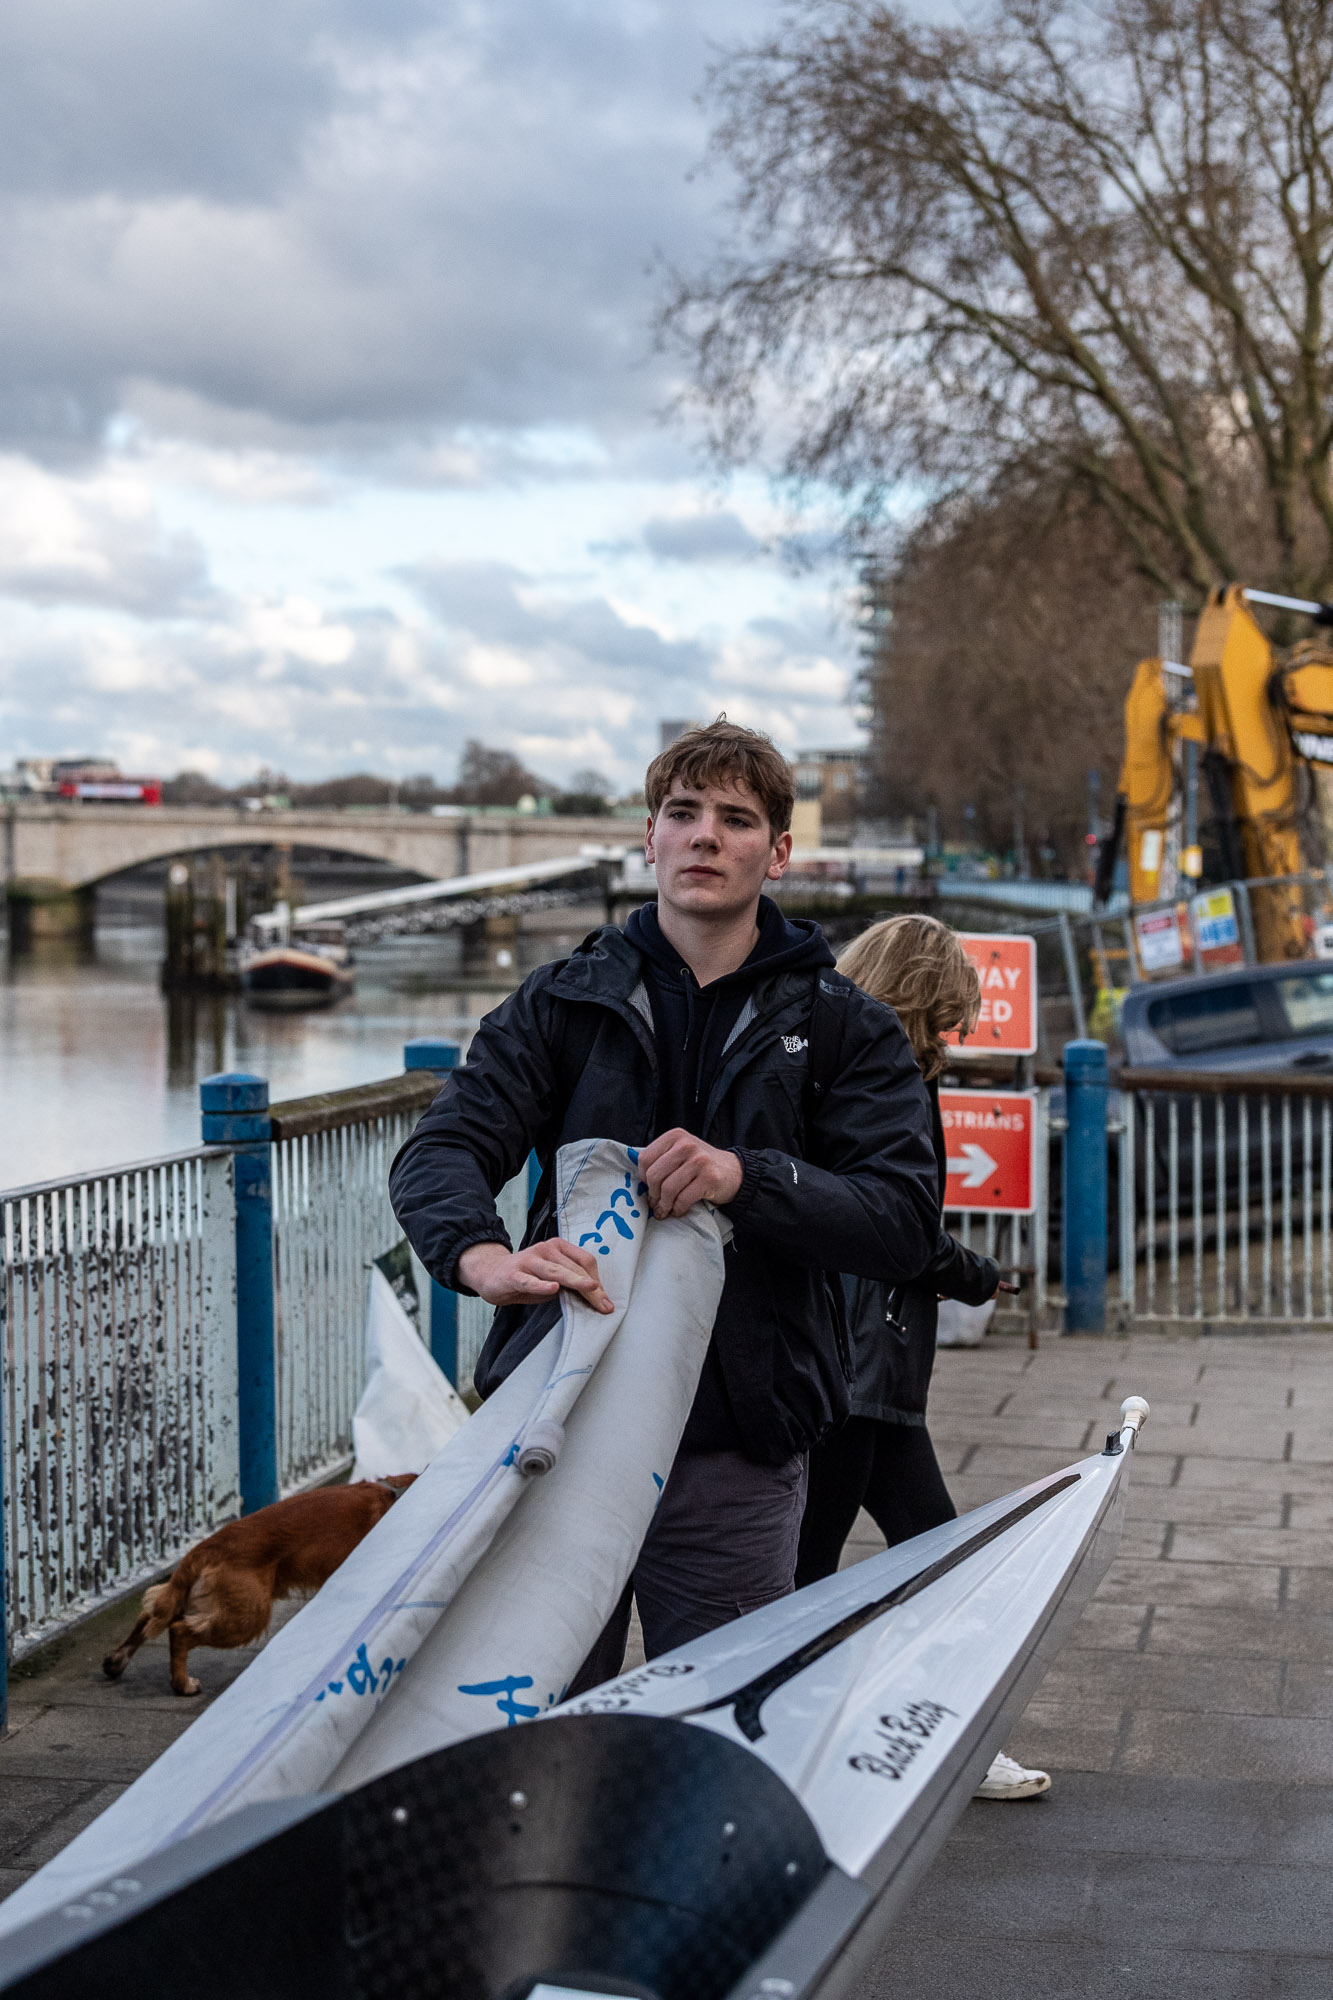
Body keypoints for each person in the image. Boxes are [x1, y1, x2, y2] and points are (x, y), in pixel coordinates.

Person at [389, 719, 942, 1682]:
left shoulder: (842, 1026)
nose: (704, 837)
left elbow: (901, 1220)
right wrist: (484, 1259)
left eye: (735, 819)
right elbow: (441, 1151)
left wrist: (747, 1178)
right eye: (683, 814)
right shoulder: (559, 1003)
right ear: (649, 837)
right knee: (538, 1740)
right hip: (554, 1437)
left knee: (712, 1729)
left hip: (734, 1451)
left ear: (776, 853)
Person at [794, 912, 1051, 1802]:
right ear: (926, 995)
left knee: (840, 1569)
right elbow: (897, 1234)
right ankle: (939, 1743)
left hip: (844, 1356)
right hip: (864, 1364)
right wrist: (975, 1273)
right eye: (951, 1008)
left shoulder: (827, 1070)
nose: (959, 1025)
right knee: (909, 1563)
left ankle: (832, 1737)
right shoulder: (894, 1081)